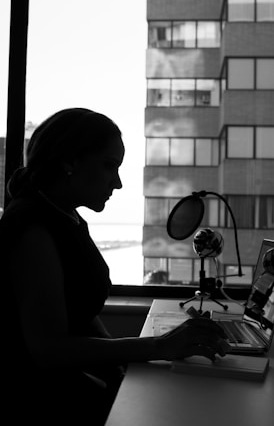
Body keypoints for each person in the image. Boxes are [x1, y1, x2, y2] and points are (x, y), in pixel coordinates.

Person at [1, 108, 230, 424]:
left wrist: (122, 368)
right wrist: (159, 346)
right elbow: (48, 350)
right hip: (36, 399)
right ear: (70, 161)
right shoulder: (31, 228)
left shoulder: (65, 216)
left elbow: (82, 316)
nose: (118, 182)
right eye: (110, 166)